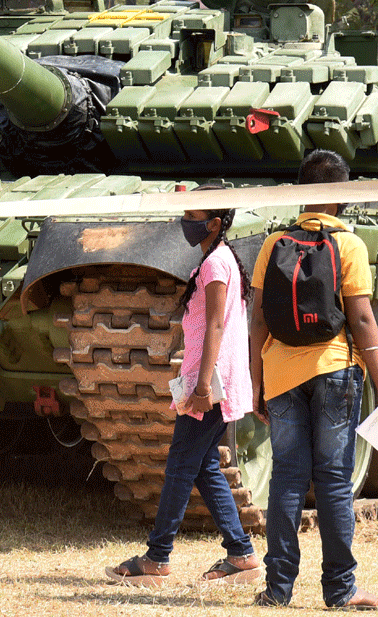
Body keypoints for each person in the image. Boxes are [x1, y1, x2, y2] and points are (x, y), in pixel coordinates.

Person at [105, 187, 259, 586]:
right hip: (210, 378)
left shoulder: (214, 265)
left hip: (211, 383)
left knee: (180, 465)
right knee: (202, 464)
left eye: (191, 214)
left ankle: (157, 558)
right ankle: (241, 554)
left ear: (213, 223)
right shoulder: (218, 260)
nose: (184, 221)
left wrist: (203, 384)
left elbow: (215, 325)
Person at [249, 150, 378, 608]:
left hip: (282, 374)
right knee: (334, 482)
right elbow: (361, 321)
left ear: (303, 192)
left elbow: (258, 320)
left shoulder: (272, 243)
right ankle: (340, 590)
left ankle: (277, 590)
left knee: (286, 480)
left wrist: (256, 382)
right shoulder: (351, 245)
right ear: (342, 195)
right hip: (336, 371)